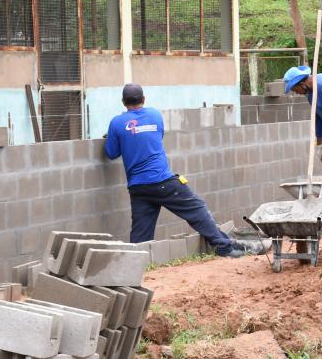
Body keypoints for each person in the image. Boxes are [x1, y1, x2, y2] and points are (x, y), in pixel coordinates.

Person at [104, 83, 255, 257]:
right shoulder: (154, 115)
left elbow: (111, 153)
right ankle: (223, 246)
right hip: (162, 182)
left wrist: (115, 137)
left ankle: (136, 263)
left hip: (138, 188)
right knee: (197, 209)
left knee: (141, 236)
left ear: (123, 102)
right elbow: (156, 137)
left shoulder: (116, 123)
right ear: (143, 99)